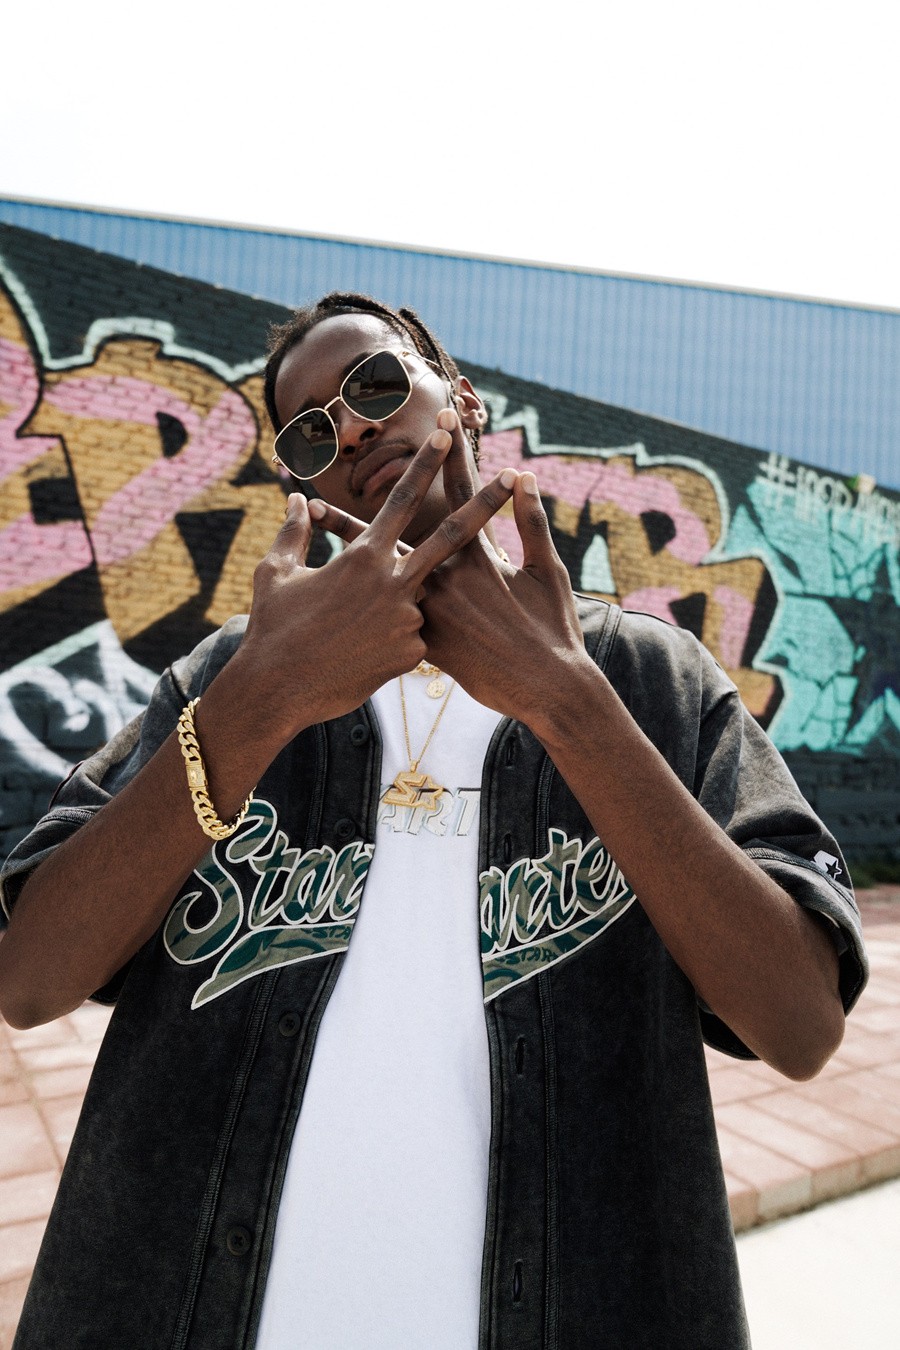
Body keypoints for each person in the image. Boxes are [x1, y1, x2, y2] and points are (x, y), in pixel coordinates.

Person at [0, 293, 867, 1349]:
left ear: (457, 397)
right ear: (302, 482)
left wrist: (566, 702)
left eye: (374, 384)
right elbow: (31, 979)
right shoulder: (234, 672)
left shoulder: (651, 678)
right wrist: (259, 701)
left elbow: (800, 1024)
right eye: (310, 432)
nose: (351, 430)